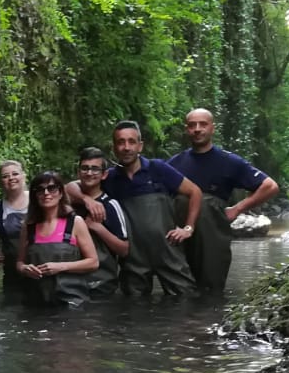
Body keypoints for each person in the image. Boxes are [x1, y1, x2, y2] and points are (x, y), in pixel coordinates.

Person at [72, 121, 199, 296]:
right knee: (133, 308)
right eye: (121, 142)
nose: (126, 147)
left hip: (168, 250)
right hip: (133, 259)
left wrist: (188, 228)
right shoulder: (109, 177)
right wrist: (86, 199)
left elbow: (195, 192)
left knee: (187, 299)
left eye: (131, 142)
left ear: (140, 145)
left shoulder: (158, 169)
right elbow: (69, 188)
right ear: (114, 147)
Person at [168, 109, 280, 293]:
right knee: (180, 290)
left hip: (212, 236)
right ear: (186, 129)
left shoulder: (229, 162)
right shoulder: (174, 164)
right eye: (192, 125)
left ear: (212, 128)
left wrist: (237, 209)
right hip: (181, 236)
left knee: (210, 290)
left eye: (203, 124)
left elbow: (270, 186)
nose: (197, 129)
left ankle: (211, 320)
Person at [16, 171, 99, 306]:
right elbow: (19, 262)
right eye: (40, 190)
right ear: (35, 195)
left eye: (52, 188)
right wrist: (25, 268)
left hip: (71, 301)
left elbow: (93, 262)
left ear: (61, 193)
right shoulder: (28, 226)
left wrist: (61, 267)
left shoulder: (75, 222)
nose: (46, 193)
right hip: (35, 301)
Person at [74, 146, 129, 298]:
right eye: (85, 168)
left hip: (101, 284)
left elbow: (124, 249)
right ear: (78, 172)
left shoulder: (111, 205)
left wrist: (98, 228)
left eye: (95, 169)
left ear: (104, 174)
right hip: (72, 282)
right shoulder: (68, 202)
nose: (89, 173)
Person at [0, 160, 31, 297]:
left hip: (41, 267)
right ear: (0, 181)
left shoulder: (39, 198)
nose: (11, 178)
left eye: (15, 174)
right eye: (5, 176)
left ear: (24, 176)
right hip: (12, 273)